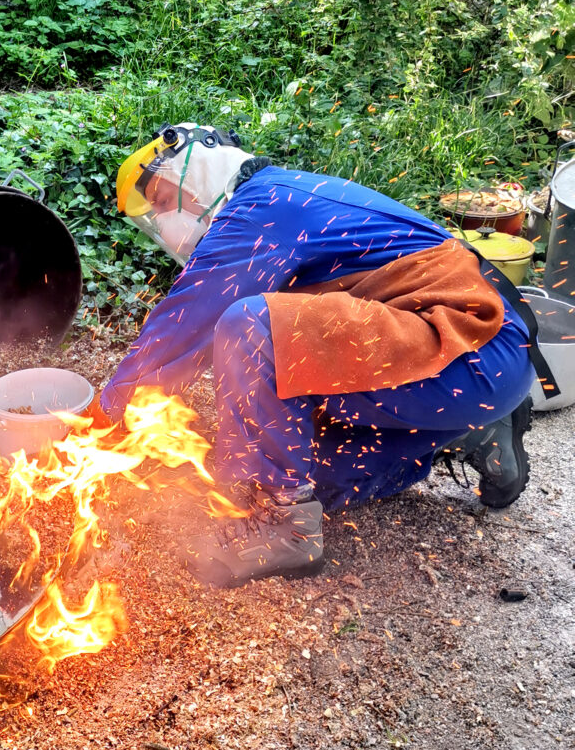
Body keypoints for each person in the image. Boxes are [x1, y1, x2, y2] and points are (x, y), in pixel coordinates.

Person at [91, 122, 554, 588]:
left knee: (249, 327)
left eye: (165, 200)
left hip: (469, 348)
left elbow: (184, 325)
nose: (165, 222)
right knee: (302, 469)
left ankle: (284, 525)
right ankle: (461, 433)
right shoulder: (277, 199)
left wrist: (99, 423)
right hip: (460, 369)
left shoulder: (263, 205)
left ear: (201, 167)